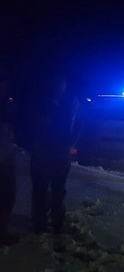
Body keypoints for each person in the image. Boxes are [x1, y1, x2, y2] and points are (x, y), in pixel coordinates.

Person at [28, 72, 80, 234]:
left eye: (60, 84)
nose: (57, 87)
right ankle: (39, 224)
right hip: (41, 155)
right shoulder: (38, 104)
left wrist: (70, 145)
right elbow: (30, 127)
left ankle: (57, 223)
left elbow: (78, 127)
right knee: (40, 190)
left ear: (64, 86)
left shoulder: (70, 104)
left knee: (58, 190)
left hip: (60, 155)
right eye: (54, 84)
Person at [0, 67, 19, 245]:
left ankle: (2, 230)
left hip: (7, 158)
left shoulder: (9, 105)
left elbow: (13, 131)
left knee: (7, 197)